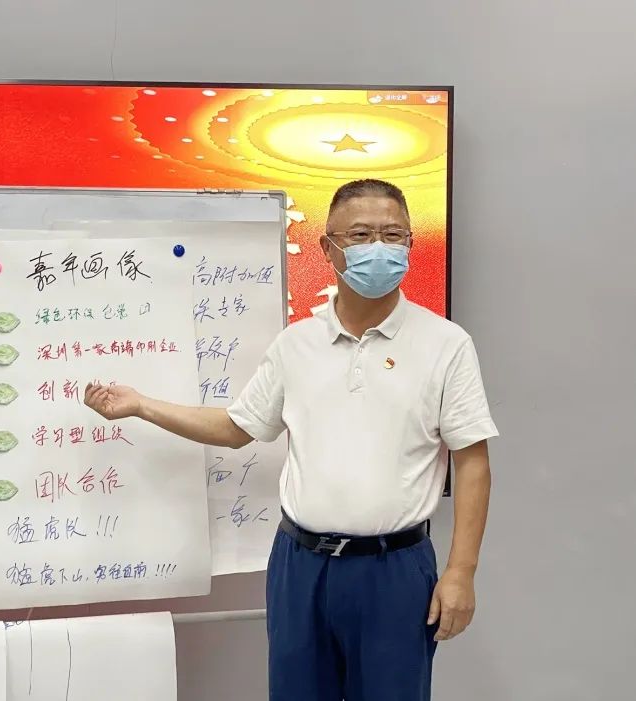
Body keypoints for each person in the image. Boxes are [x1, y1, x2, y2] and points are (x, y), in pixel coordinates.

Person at [84, 179, 497, 701]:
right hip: (301, 566)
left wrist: (461, 571)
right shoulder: (295, 345)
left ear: (410, 244)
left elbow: (472, 461)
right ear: (328, 248)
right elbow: (236, 428)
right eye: (361, 235)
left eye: (393, 235)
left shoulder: (446, 344)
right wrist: (141, 405)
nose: (379, 248)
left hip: (394, 570)